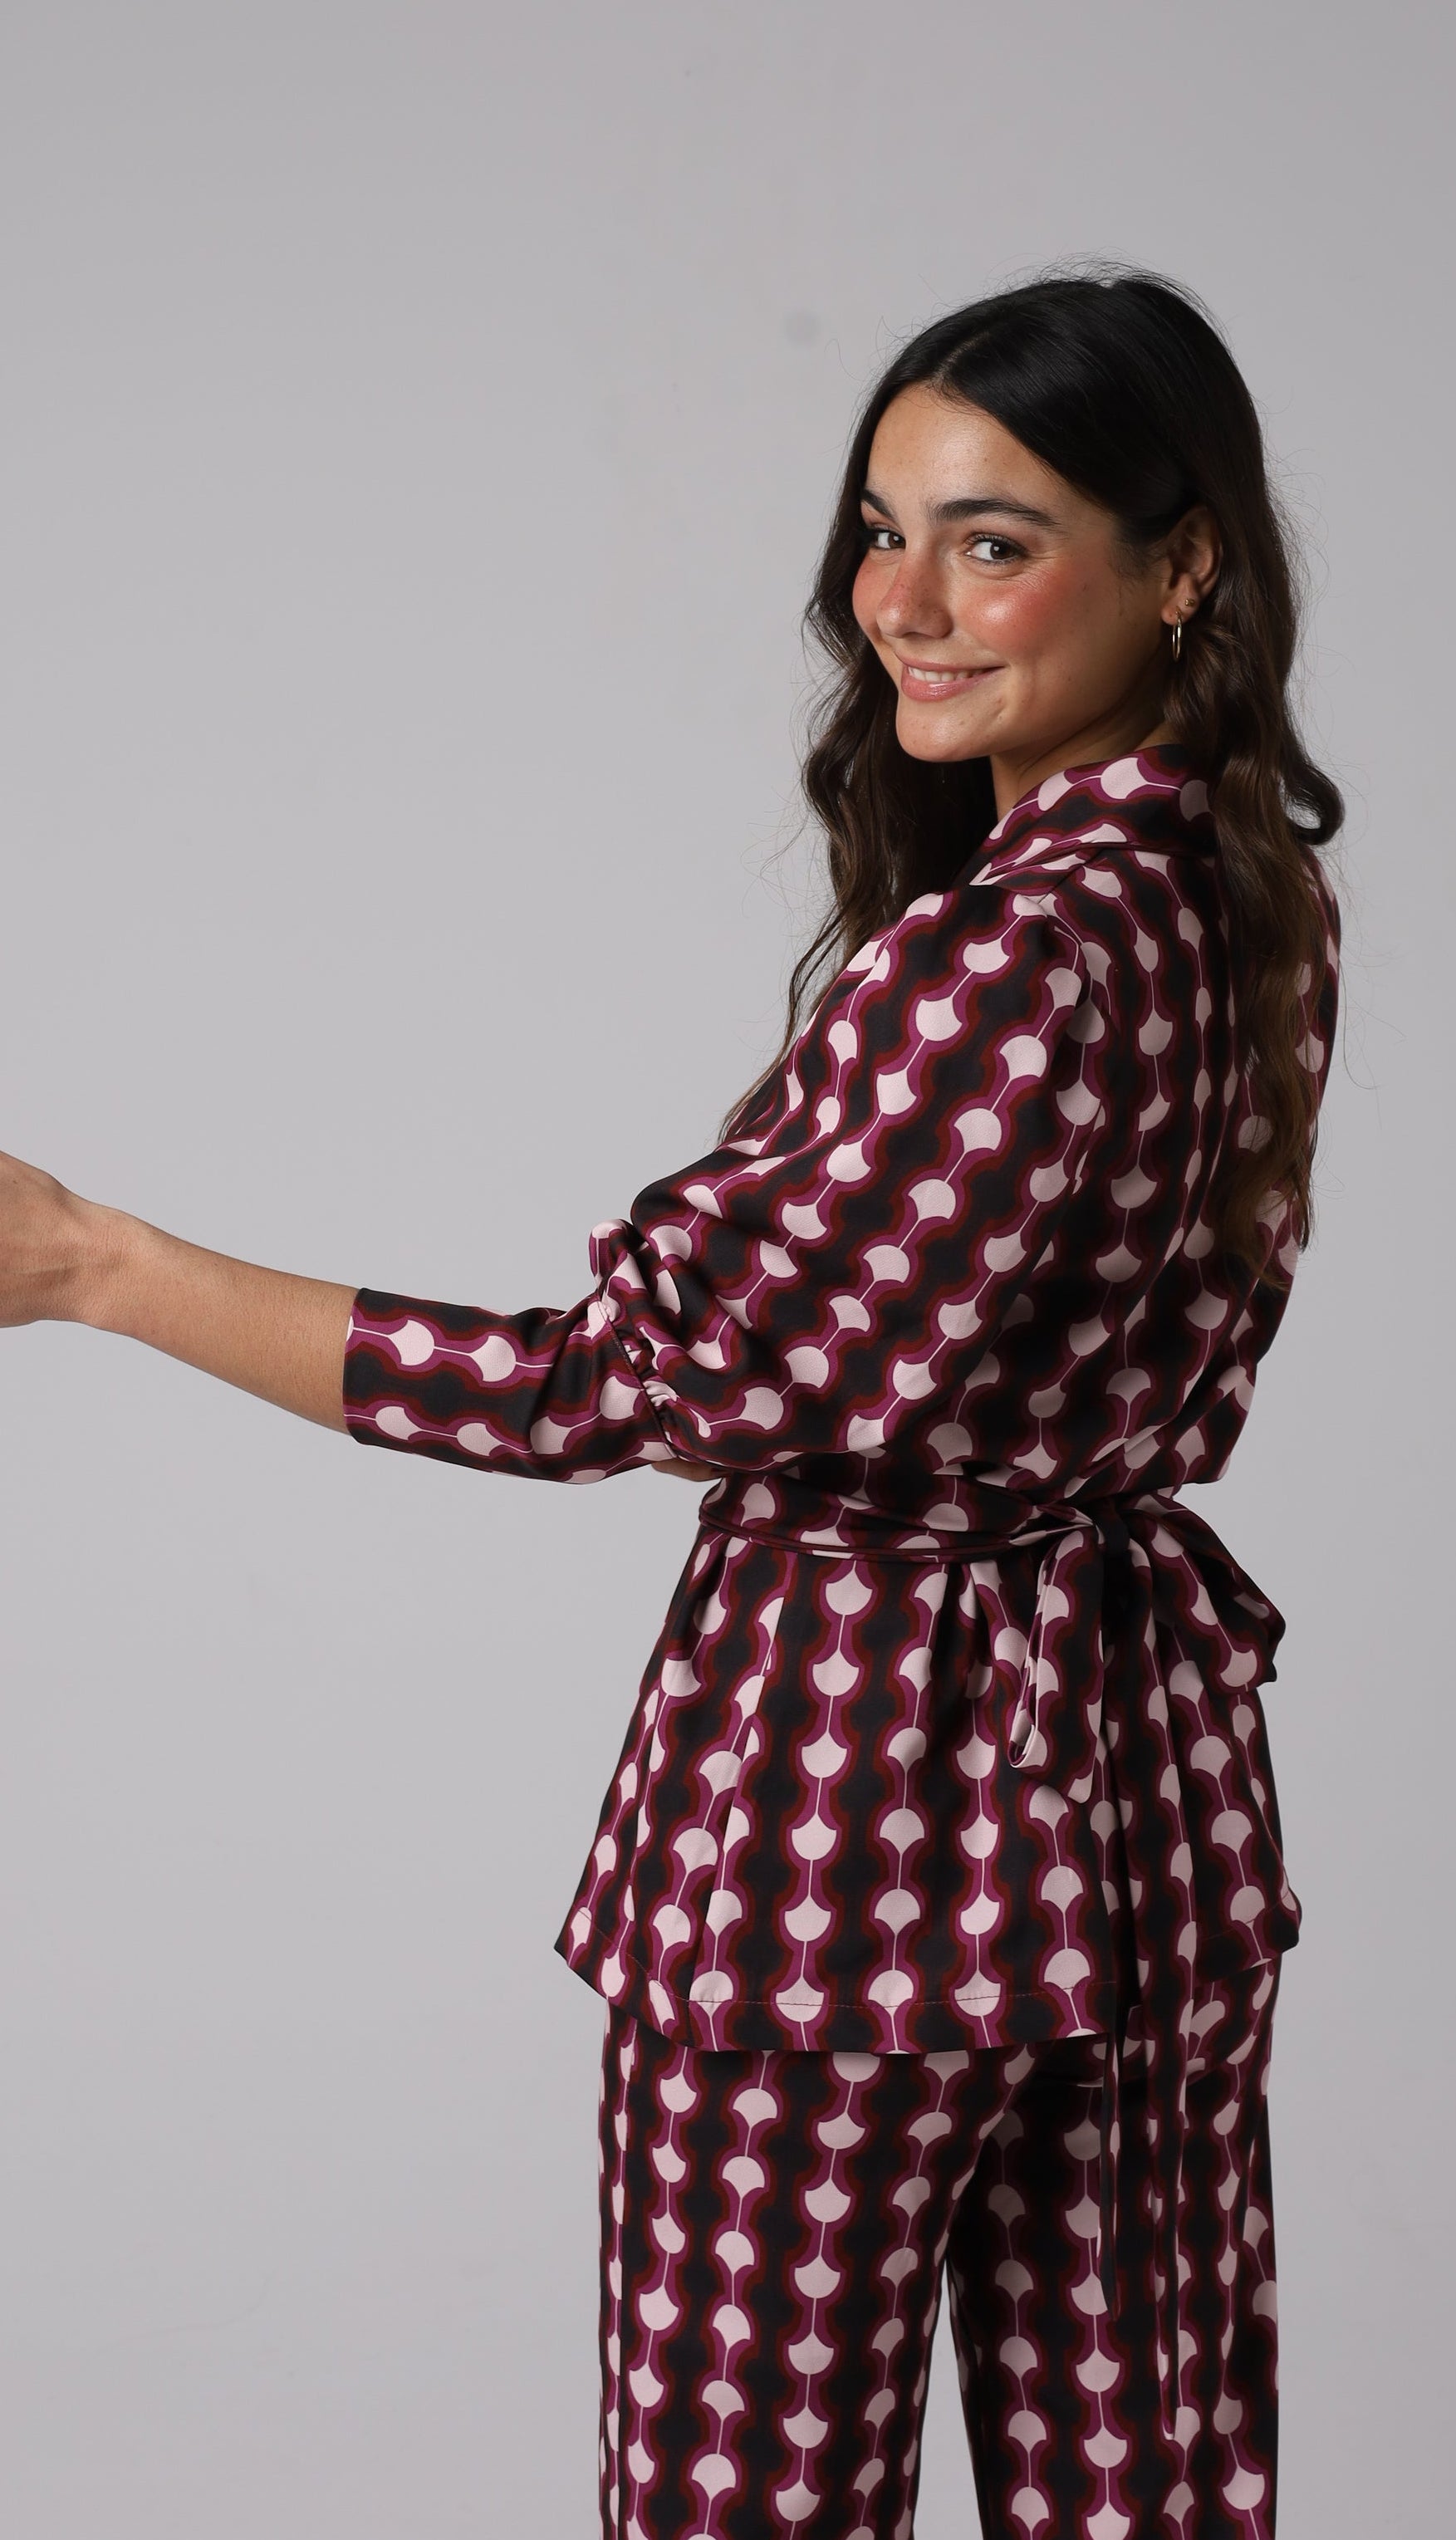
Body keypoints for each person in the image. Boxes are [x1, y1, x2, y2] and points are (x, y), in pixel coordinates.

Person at [0, 268, 1341, 2540]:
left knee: (745, 2503)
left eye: (994, 541)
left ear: (1182, 561)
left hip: (858, 1823)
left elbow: (593, 1386)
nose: (900, 602)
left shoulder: (1006, 962)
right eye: (882, 529)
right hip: (1134, 1814)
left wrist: (92, 1265)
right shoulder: (1240, 897)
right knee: (1148, 2493)